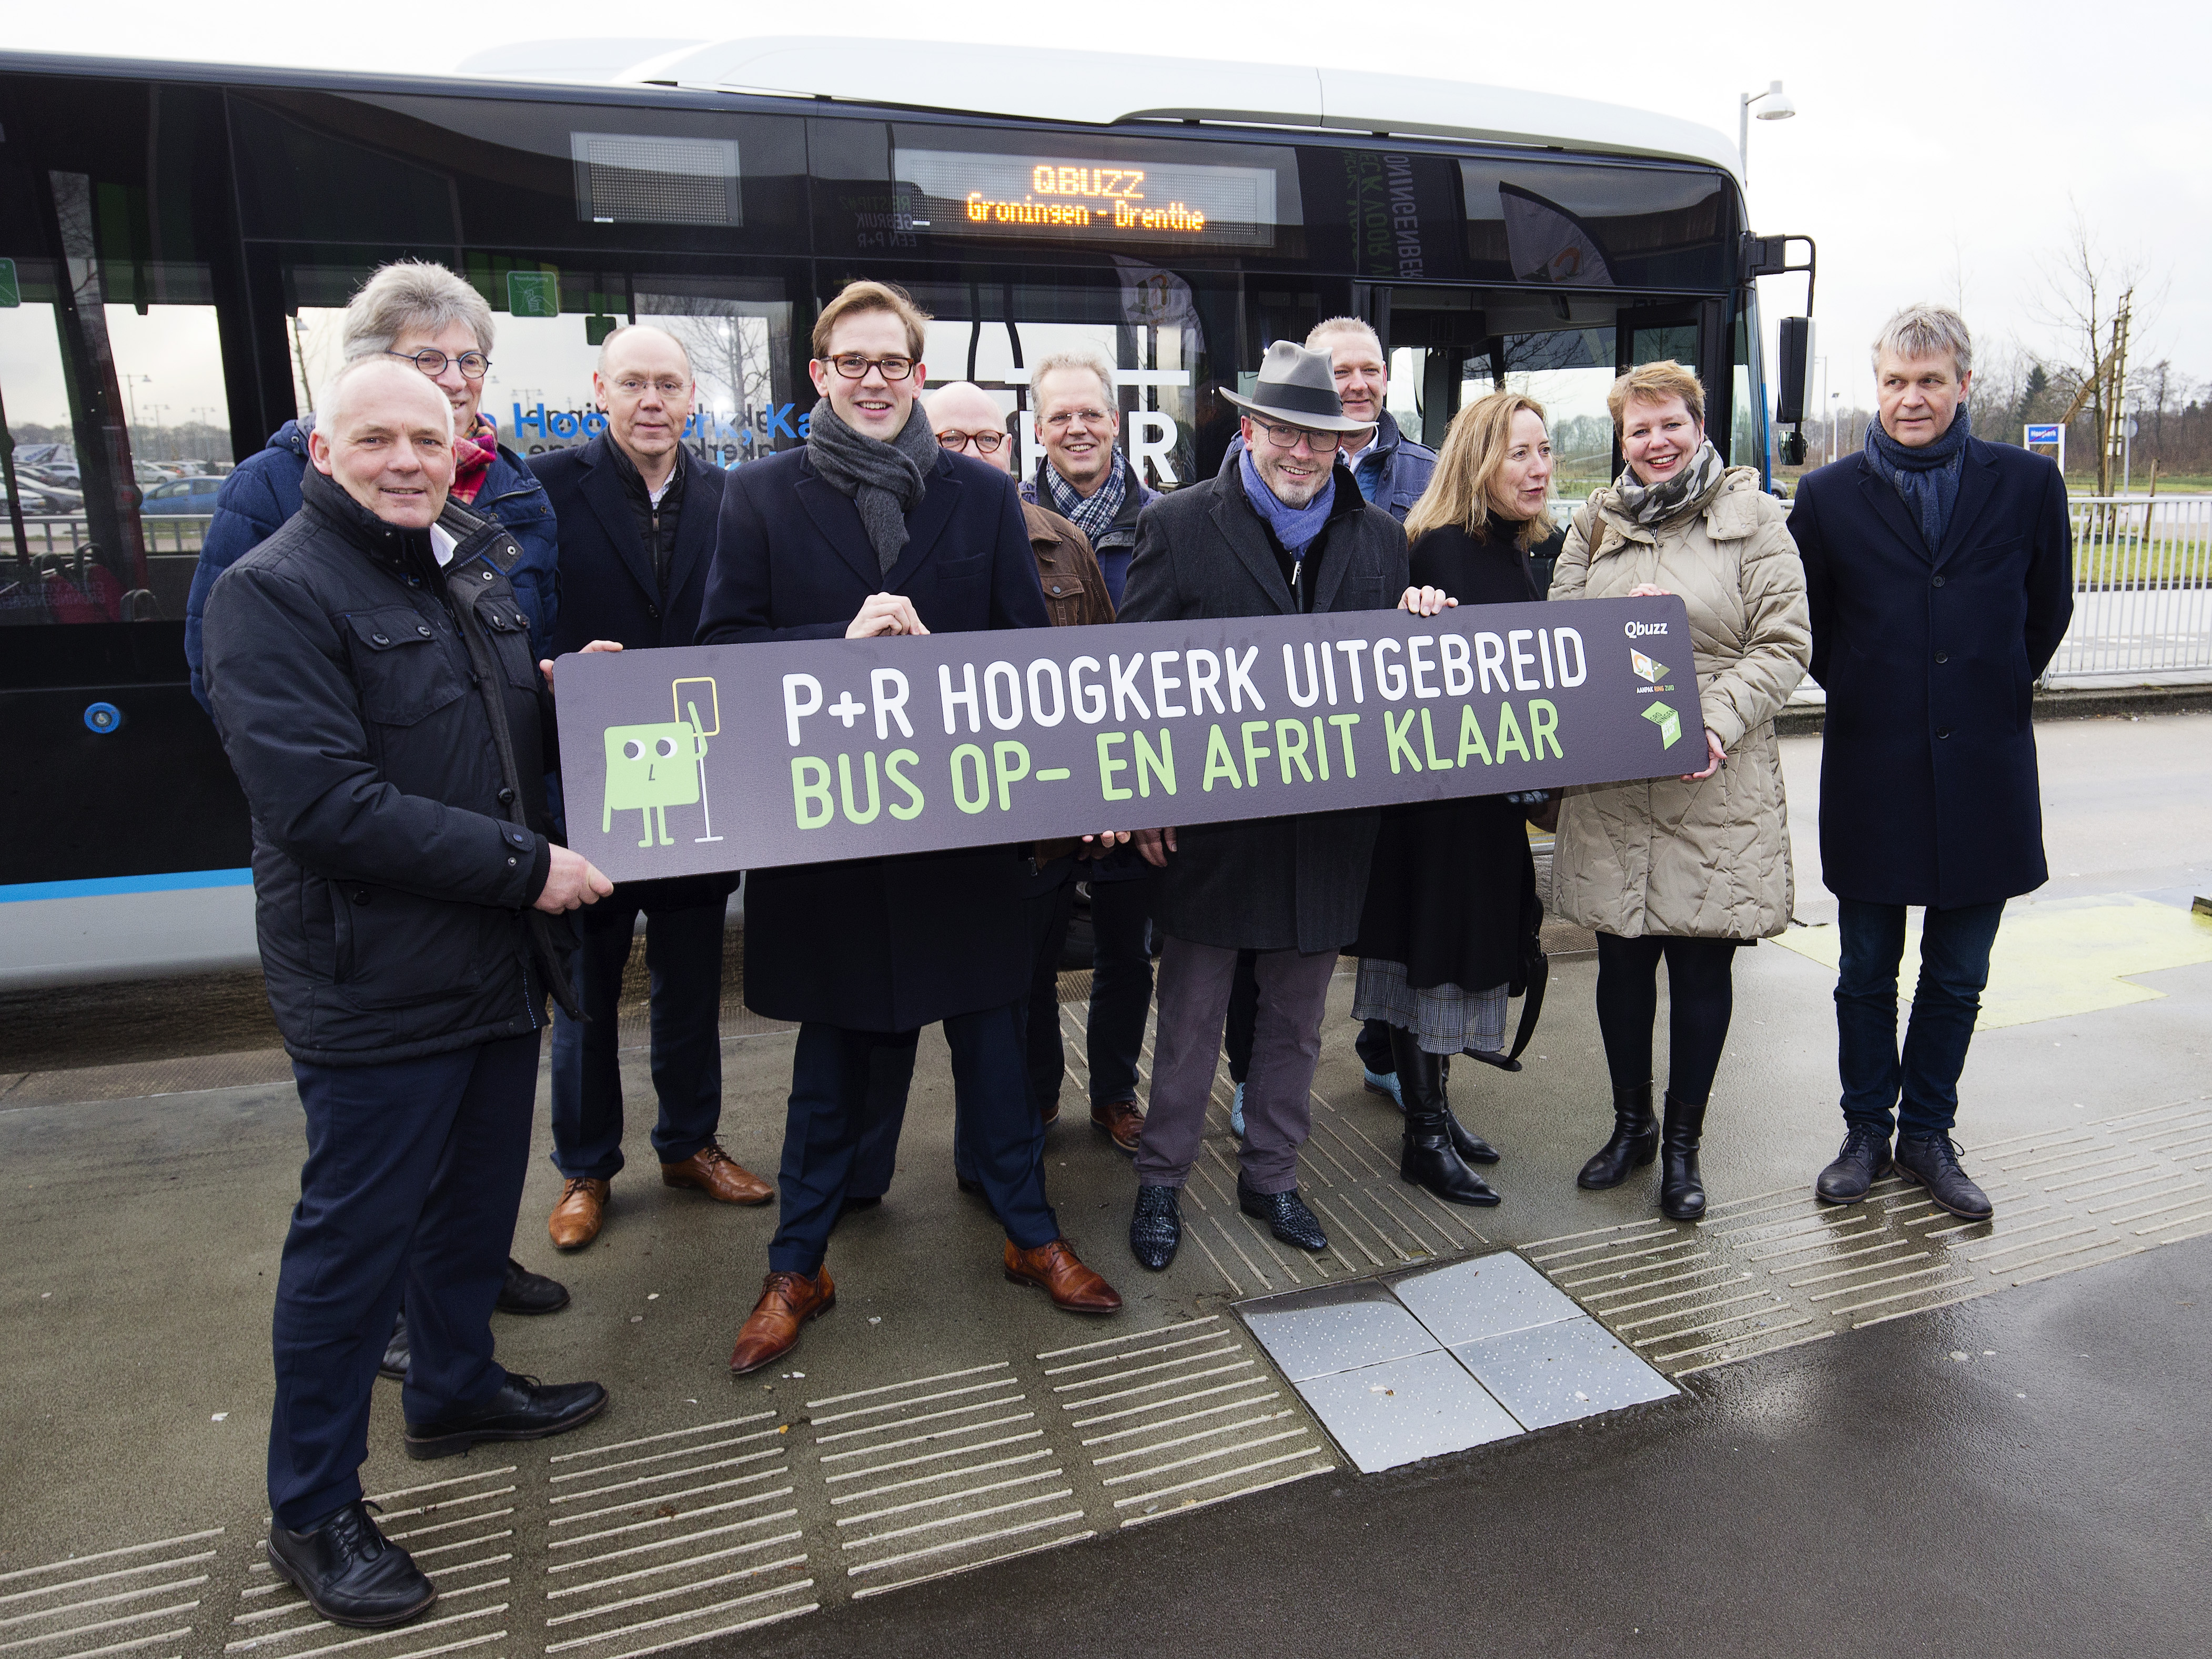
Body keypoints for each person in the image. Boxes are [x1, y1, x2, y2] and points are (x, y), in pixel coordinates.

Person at [201, 359, 611, 1629]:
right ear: (323, 453)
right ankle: (312, 1502)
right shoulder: (270, 593)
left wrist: (564, 697)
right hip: (373, 979)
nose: (402, 459)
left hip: (490, 964)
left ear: (459, 448)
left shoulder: (468, 566)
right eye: (372, 438)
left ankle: (453, 1387)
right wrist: (527, 865)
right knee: (352, 1245)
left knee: (472, 1207)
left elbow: (479, 738)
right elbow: (325, 807)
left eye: (425, 440)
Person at [699, 281, 1123, 1377]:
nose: (875, 379)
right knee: (827, 1073)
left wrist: (943, 657)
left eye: (894, 363)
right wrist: (832, 641)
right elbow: (722, 658)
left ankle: (1030, 1237)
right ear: (820, 376)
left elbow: (1029, 667)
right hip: (832, 852)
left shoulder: (980, 498)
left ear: (917, 373)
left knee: (992, 1053)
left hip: (960, 841)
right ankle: (797, 1263)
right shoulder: (756, 498)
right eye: (854, 363)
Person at [1118, 339, 1436, 1270]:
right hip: (1214, 832)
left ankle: (1272, 1176)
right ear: (1250, 427)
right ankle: (1161, 1182)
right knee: (1188, 1021)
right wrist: (1147, 796)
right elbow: (1135, 677)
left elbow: (1393, 680)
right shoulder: (1178, 525)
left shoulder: (1380, 536)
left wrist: (1424, 624)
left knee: (1298, 1024)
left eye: (1322, 437)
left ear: (1347, 440)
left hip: (1325, 836)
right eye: (1284, 431)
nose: (1302, 452)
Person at [1791, 305, 2073, 1220]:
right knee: (1866, 966)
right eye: (1895, 382)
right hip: (1873, 766)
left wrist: (1977, 690)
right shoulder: (1828, 497)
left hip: (1986, 768)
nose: (1911, 399)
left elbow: (2047, 614)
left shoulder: (2029, 485)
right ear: (1877, 385)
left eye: (1930, 381)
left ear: (1963, 384)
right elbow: (1815, 633)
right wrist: (1888, 691)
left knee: (1958, 972)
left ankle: (1928, 1133)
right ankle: (1866, 1130)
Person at [840, 381, 1126, 1209]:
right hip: (898, 829)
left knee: (1011, 1011)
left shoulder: (1061, 543)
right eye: (951, 437)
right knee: (886, 1019)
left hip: (1024, 840)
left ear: (1012, 447)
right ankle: (860, 1179)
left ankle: (1001, 1161)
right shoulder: (884, 535)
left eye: (986, 439)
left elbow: (1091, 683)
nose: (971, 454)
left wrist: (1097, 790)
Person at [1549, 360, 1811, 1221]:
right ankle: (1632, 1125)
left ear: (1699, 427)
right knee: (1621, 963)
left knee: (1701, 966)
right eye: (1638, 429)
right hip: (1619, 782)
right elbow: (1559, 637)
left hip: (1714, 783)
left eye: (1670, 425)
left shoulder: (1755, 519)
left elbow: (1783, 643)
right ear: (1619, 438)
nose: (1655, 442)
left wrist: (1715, 720)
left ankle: (1685, 1149)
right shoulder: (1595, 522)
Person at [527, 325, 769, 1252]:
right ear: (600, 389)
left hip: (700, 783)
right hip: (586, 789)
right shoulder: (546, 489)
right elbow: (512, 627)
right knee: (584, 986)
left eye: (669, 383)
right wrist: (550, 667)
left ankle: (690, 1142)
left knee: (690, 975)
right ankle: (586, 1168)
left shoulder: (731, 496)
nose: (652, 400)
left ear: (694, 397)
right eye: (633, 383)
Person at [1348, 391, 1565, 1206]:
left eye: (1544, 451)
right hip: (1434, 812)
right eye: (1520, 453)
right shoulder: (1440, 548)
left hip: (1482, 805)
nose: (1539, 467)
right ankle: (1423, 1137)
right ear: (1479, 461)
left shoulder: (1511, 549)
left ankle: (1436, 1116)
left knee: (1443, 958)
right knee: (1425, 959)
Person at [1226, 318, 1440, 1116]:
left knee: (1356, 920)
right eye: (1337, 369)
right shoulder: (1241, 476)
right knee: (1253, 942)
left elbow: (1422, 586)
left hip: (1359, 757)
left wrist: (1422, 604)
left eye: (1369, 369)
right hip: (1255, 755)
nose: (1355, 383)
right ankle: (1253, 1083)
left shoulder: (1424, 474)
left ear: (1385, 380)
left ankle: (1377, 1056)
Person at [187, 260, 559, 708]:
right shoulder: (270, 484)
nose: (457, 381)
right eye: (429, 359)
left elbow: (534, 653)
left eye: (470, 361)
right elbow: (233, 683)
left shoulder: (520, 492)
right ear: (369, 365)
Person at [1019, 349, 1161, 1154]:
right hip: (1038, 782)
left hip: (1129, 771)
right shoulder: (1002, 521)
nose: (1077, 427)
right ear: (1037, 430)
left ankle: (1112, 1093)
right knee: (1032, 962)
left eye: (1090, 413)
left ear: (1114, 421)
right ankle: (1040, 1097)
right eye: (1059, 415)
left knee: (1126, 952)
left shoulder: (1165, 519)